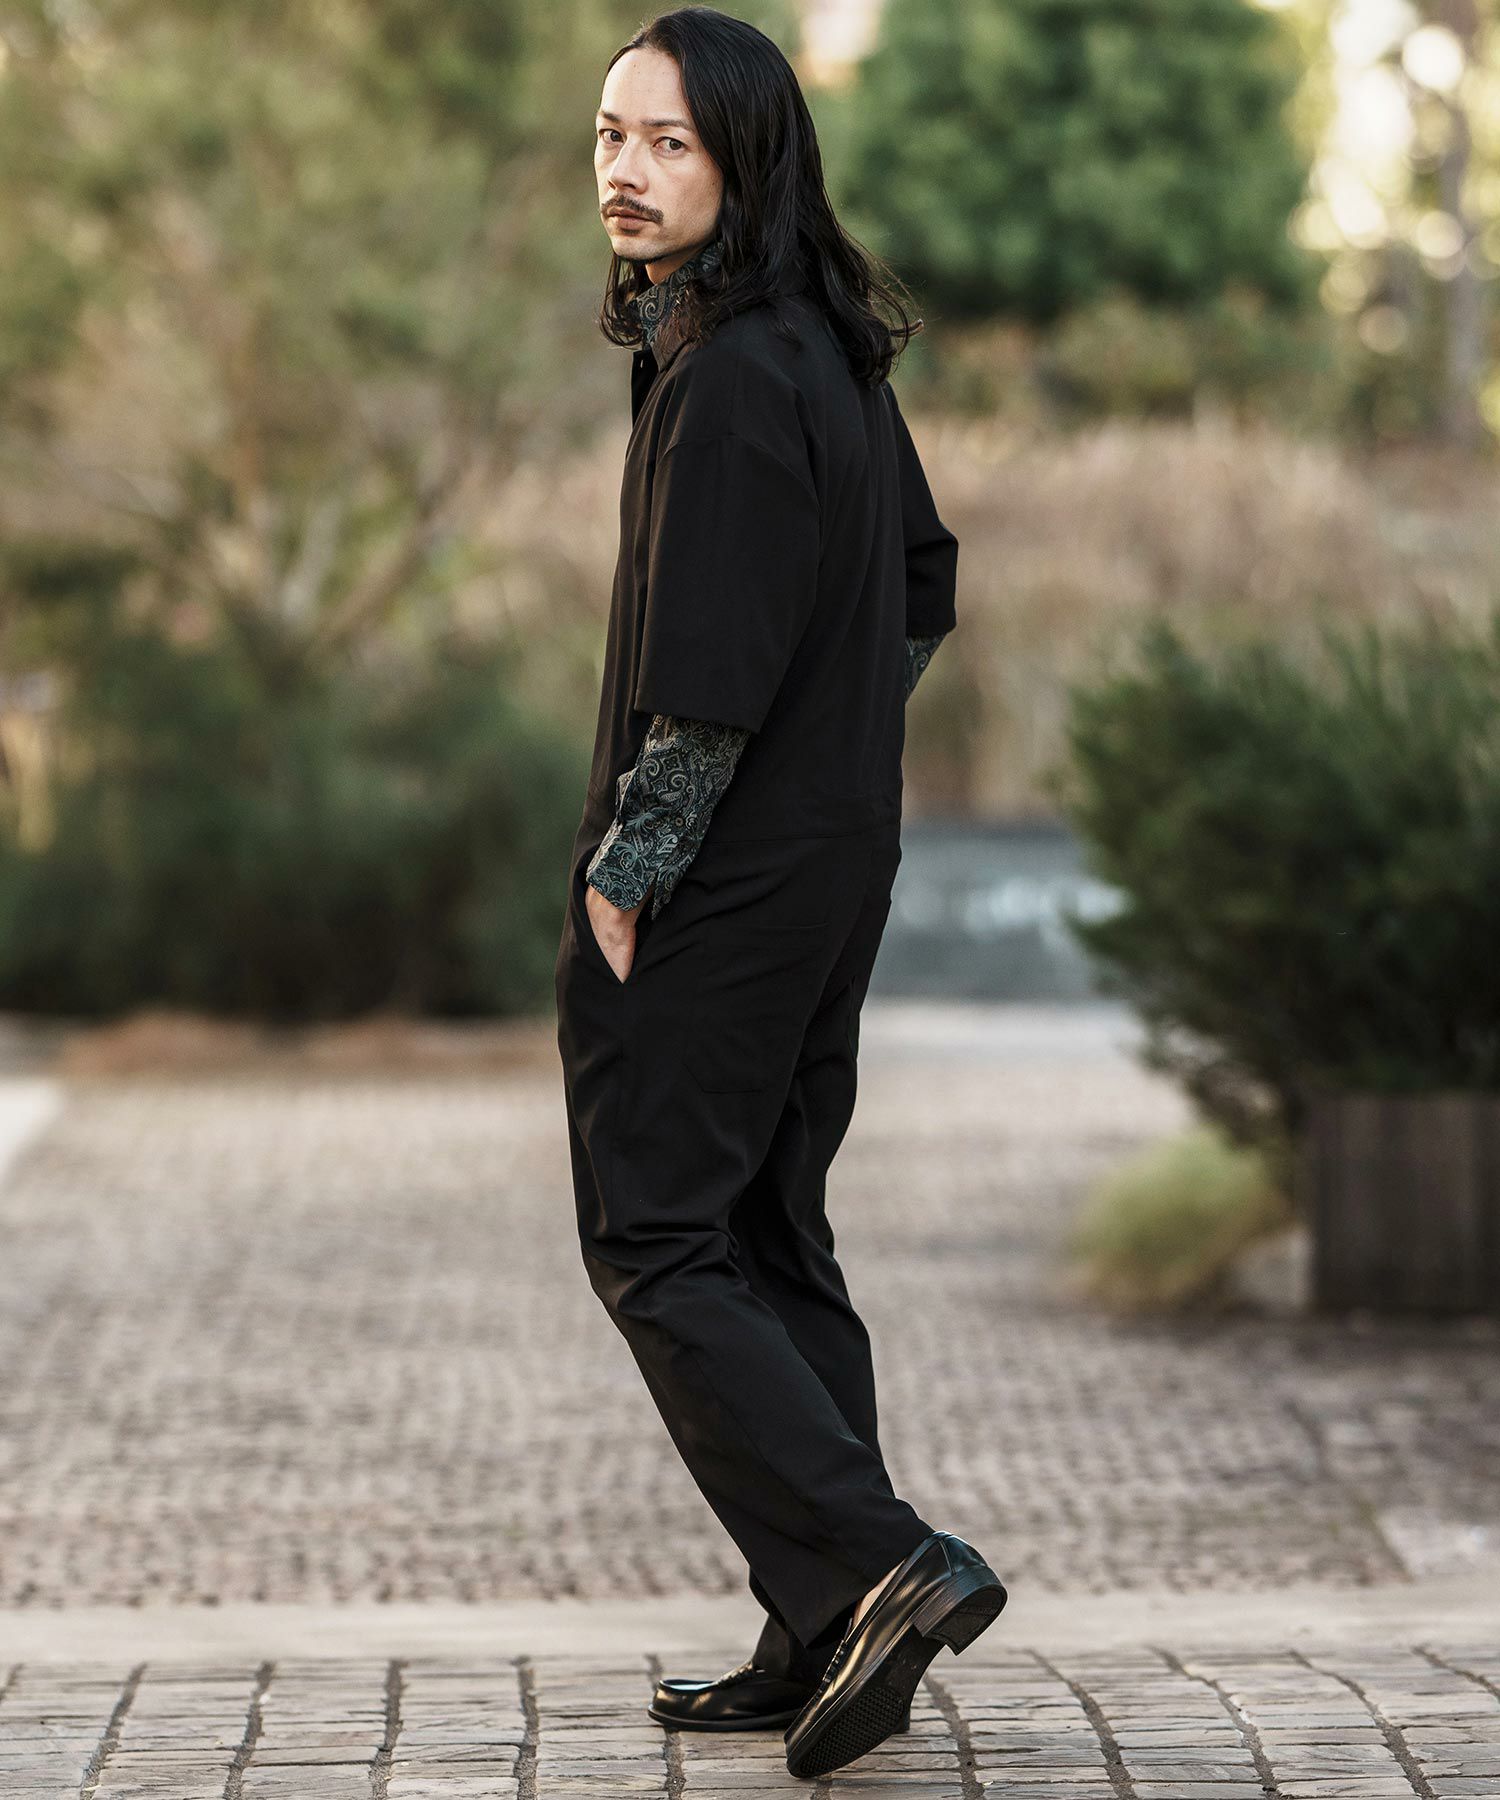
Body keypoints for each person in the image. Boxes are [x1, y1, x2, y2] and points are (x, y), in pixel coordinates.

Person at [552, 7, 1007, 1779]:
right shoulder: (821, 350)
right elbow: (918, 587)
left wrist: (640, 859)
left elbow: (713, 663)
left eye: (666, 142)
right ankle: (824, 1626)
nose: (625, 170)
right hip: (829, 858)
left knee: (656, 1235)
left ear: (745, 159)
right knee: (762, 1235)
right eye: (611, 136)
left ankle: (882, 1566)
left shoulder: (739, 373)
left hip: (723, 882)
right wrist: (831, 762)